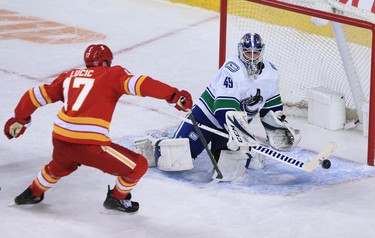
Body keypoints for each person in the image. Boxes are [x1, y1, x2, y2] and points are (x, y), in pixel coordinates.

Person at [4, 44, 193, 213]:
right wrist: (173, 95)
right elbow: (141, 84)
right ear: (105, 61)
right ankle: (117, 199)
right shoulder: (112, 74)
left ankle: (33, 192)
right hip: (90, 145)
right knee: (138, 166)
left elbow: (34, 95)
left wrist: (19, 118)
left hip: (61, 139)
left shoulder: (69, 76)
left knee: (60, 166)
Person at [151, 33, 300, 173]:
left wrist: (277, 127)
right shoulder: (232, 68)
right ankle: (156, 144)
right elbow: (223, 109)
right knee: (175, 160)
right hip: (205, 119)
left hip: (234, 127)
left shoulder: (271, 74)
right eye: (248, 53)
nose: (252, 58)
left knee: (232, 168)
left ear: (262, 52)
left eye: (256, 53)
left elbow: (271, 108)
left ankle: (236, 152)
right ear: (241, 52)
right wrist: (239, 133)